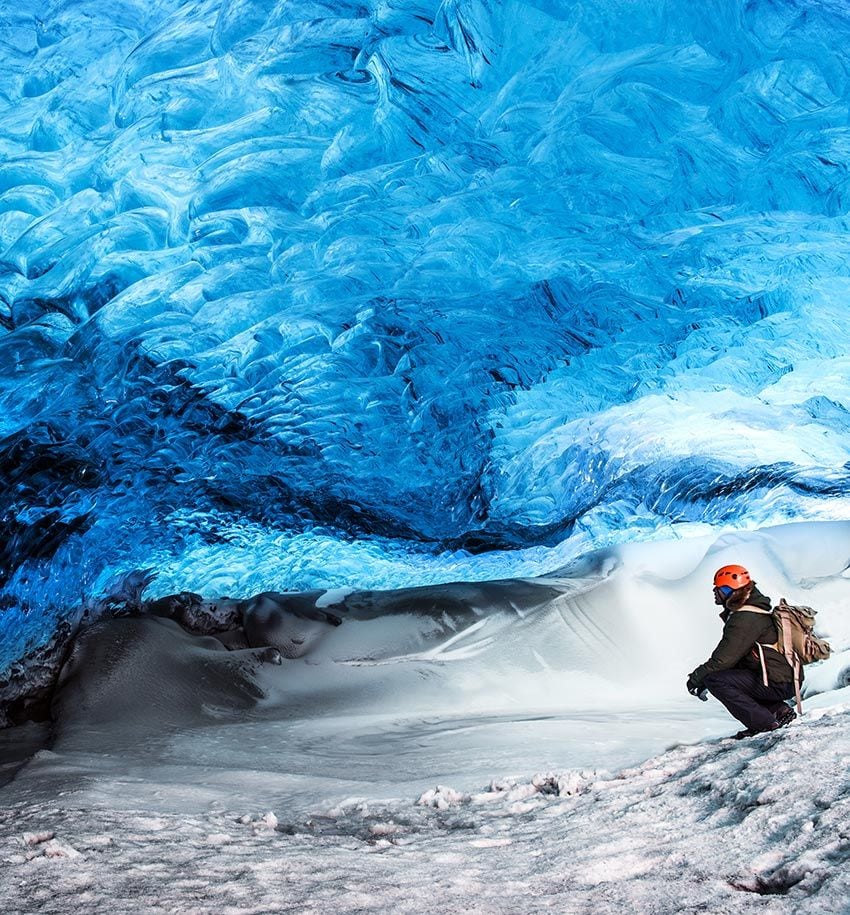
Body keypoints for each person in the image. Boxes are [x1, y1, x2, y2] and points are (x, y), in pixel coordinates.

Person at [686, 564, 797, 739]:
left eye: (719, 588)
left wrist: (695, 679)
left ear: (730, 590)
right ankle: (778, 711)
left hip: (777, 682)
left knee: (715, 680)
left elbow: (724, 659)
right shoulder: (751, 611)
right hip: (780, 678)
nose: (715, 591)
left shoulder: (745, 617)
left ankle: (765, 724)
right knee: (729, 675)